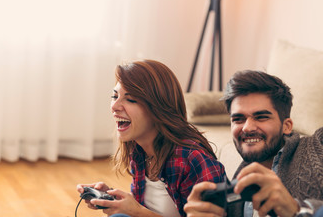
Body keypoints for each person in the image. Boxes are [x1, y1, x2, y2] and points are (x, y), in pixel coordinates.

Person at [76, 60, 226, 217]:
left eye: (131, 99)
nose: (115, 106)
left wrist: (136, 211)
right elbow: (146, 206)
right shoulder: (140, 150)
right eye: (115, 96)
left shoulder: (192, 160)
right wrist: (113, 198)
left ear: (158, 108)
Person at [184, 70, 323, 217]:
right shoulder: (236, 190)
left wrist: (297, 210)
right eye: (238, 119)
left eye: (261, 117)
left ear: (287, 126)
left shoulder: (317, 144)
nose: (247, 128)